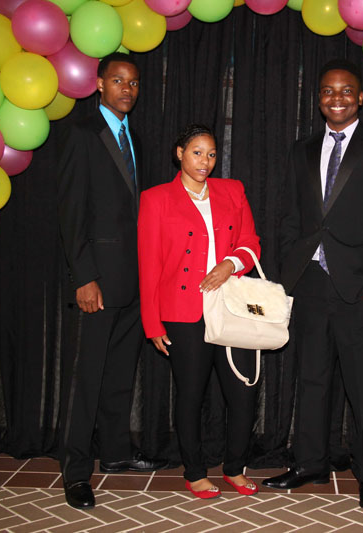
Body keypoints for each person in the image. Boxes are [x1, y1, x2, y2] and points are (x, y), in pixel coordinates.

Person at [263, 59, 363, 510]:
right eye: (328, 91)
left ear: (360, 97)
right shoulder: (301, 149)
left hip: (360, 286)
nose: (337, 98)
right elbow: (289, 214)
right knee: (311, 379)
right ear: (319, 98)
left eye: (346, 91)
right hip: (309, 282)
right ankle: (310, 463)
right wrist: (290, 271)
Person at [56, 52, 168, 509]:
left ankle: (117, 453)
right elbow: (71, 213)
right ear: (99, 84)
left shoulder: (135, 138)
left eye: (134, 82)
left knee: (121, 373)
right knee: (86, 379)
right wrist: (85, 276)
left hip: (134, 279)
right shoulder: (82, 134)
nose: (127, 89)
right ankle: (75, 471)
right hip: (98, 281)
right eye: (119, 80)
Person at [138, 124, 262, 500]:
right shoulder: (156, 198)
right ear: (179, 153)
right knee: (191, 395)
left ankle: (235, 468)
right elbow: (149, 264)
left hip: (230, 307)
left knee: (243, 393)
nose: (205, 161)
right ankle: (194, 472)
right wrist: (152, 322)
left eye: (211, 154)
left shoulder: (232, 190)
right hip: (182, 312)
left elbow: (250, 241)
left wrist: (230, 264)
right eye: (196, 152)